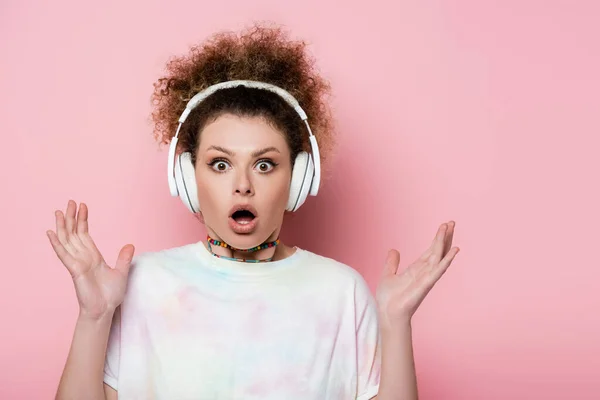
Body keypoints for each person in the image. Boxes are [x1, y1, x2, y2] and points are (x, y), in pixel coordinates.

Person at [47, 24, 460, 400]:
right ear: (188, 178)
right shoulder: (141, 284)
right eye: (220, 164)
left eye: (265, 165)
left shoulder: (341, 292)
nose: (242, 184)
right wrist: (94, 316)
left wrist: (395, 321)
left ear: (298, 178)